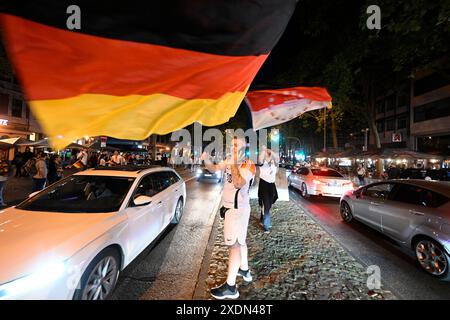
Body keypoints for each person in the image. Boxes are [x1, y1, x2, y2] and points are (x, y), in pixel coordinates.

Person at [202, 137, 256, 300]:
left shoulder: (248, 164)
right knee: (241, 242)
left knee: (234, 246)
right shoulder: (229, 160)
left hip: (237, 210)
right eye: (230, 144)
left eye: (235, 144)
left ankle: (230, 288)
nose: (231, 147)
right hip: (232, 209)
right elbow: (214, 169)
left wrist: (232, 163)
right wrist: (206, 159)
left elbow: (239, 183)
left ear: (244, 146)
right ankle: (244, 270)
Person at [257, 146, 279, 233]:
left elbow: (277, 158)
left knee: (269, 203)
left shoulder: (273, 163)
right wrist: (263, 150)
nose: (268, 155)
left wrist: (270, 151)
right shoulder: (263, 163)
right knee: (266, 205)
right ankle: (266, 225)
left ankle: (263, 216)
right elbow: (259, 159)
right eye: (267, 154)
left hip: (272, 185)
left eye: (269, 154)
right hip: (264, 185)